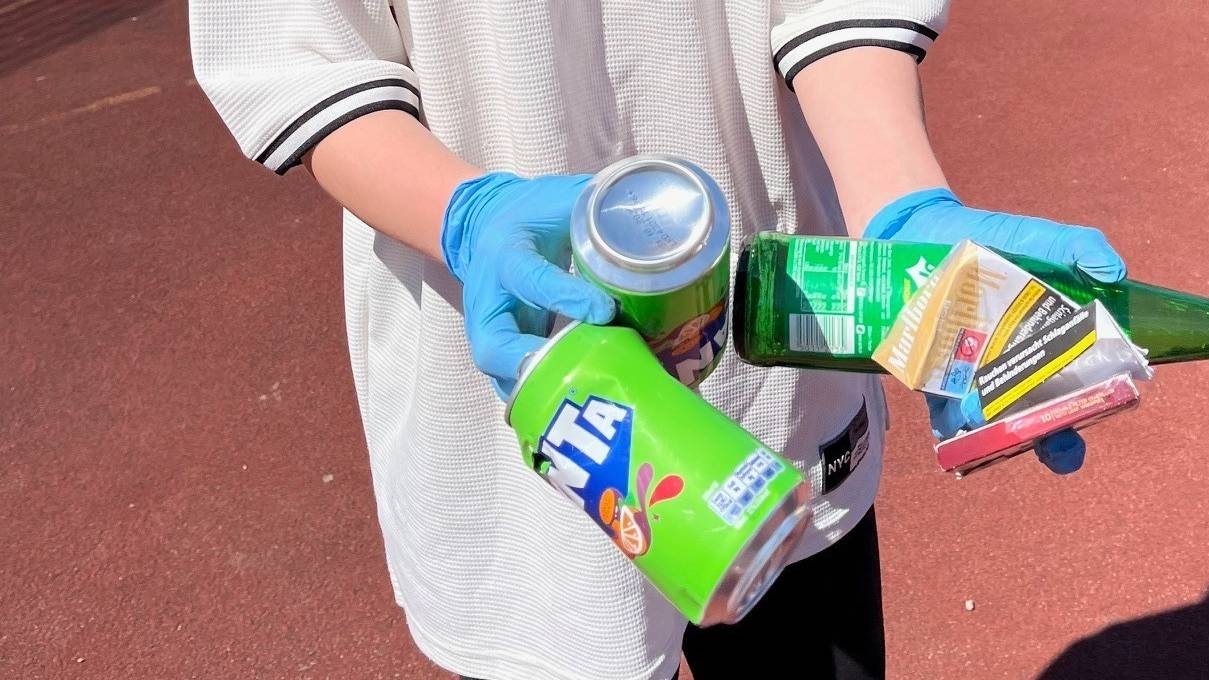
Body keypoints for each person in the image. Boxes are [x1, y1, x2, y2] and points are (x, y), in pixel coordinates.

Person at [190, 1, 1125, 678]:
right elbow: (299, 51)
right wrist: (463, 216)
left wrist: (901, 206)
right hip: (528, 377)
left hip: (775, 381)